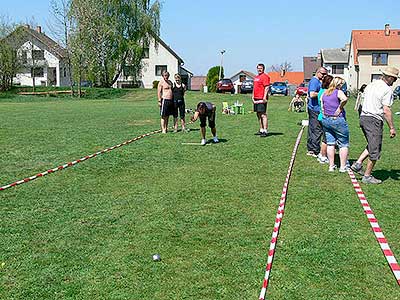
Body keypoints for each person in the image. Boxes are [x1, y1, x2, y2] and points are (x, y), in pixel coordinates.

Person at [351, 66, 398, 184]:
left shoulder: (371, 85)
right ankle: (367, 176)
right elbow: (386, 110)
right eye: (394, 79)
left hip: (363, 117)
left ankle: (358, 164)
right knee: (375, 149)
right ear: (390, 77)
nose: (395, 81)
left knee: (372, 144)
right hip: (374, 120)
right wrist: (392, 127)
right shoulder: (387, 90)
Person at [320, 77, 349, 172]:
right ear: (338, 84)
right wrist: (340, 108)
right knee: (343, 143)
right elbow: (344, 99)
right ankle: (343, 167)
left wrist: (325, 113)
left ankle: (331, 166)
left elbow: (322, 105)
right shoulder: (338, 92)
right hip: (337, 120)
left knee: (330, 143)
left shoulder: (325, 92)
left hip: (326, 120)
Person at [306, 67, 328, 157]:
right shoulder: (314, 81)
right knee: (316, 130)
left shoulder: (318, 81)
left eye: (325, 74)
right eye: (323, 74)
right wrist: (324, 93)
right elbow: (312, 94)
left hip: (315, 108)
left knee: (313, 129)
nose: (324, 76)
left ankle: (311, 149)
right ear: (318, 72)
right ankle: (315, 150)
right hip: (314, 109)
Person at [316, 74, 334, 164]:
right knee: (326, 138)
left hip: (322, 116)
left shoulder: (322, 91)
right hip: (324, 117)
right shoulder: (325, 92)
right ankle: (322, 156)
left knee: (326, 137)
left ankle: (322, 154)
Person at [252, 63, 271, 137]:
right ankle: (261, 129)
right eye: (258, 68)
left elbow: (267, 87)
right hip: (256, 98)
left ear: (263, 69)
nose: (259, 69)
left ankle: (265, 131)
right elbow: (254, 87)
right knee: (258, 114)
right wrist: (253, 96)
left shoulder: (265, 77)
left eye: (261, 68)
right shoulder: (256, 77)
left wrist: (264, 97)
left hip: (261, 98)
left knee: (263, 114)